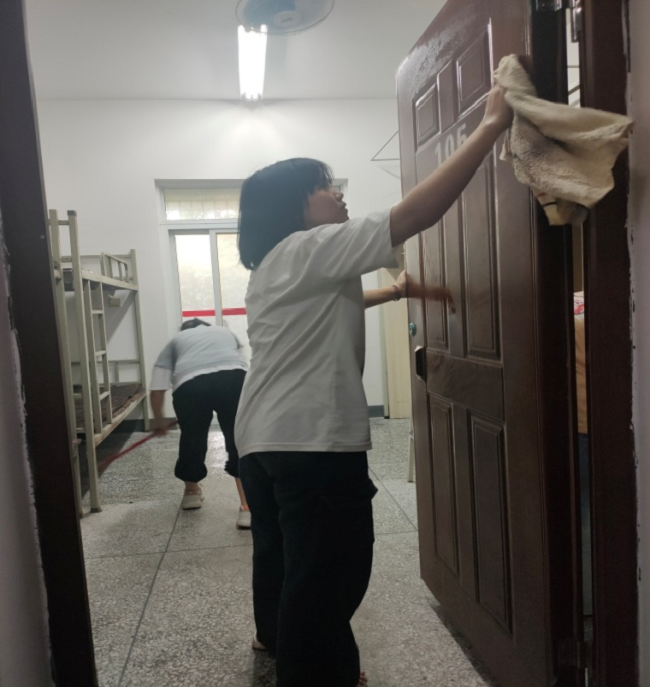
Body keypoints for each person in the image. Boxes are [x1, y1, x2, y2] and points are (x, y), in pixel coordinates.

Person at [235, 85, 512, 687]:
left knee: (284, 557)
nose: (338, 193)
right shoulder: (312, 246)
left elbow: (327, 307)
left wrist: (395, 291)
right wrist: (490, 127)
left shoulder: (275, 264)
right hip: (311, 438)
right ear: (293, 206)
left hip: (263, 437)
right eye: (324, 186)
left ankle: (275, 639)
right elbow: (415, 214)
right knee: (330, 574)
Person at [149, 318, 250, 528]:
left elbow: (158, 385)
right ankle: (247, 507)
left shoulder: (176, 340)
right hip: (233, 380)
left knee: (192, 438)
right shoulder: (225, 333)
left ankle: (191, 493)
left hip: (191, 385)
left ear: (183, 330)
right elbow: (243, 362)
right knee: (238, 439)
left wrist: (158, 420)